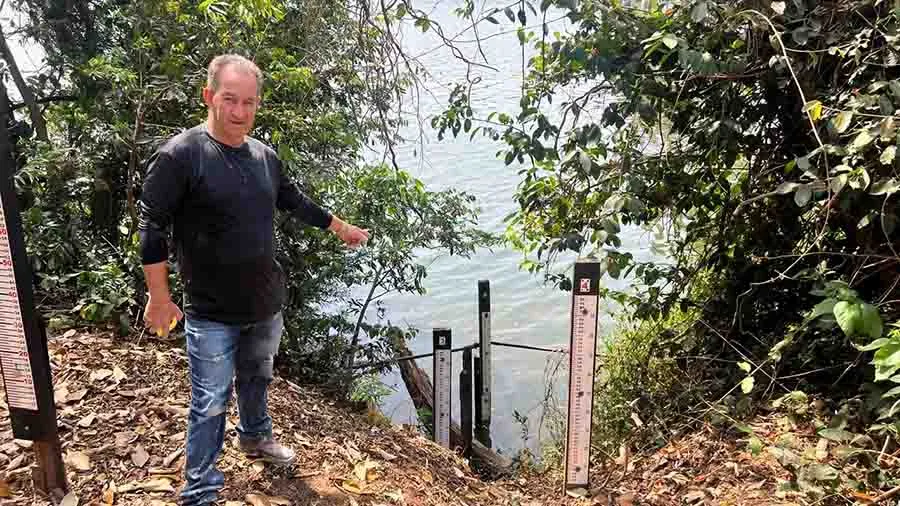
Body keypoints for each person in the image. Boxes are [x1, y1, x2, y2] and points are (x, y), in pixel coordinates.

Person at [137, 54, 369, 505]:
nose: (240, 112)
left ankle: (255, 438)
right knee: (209, 404)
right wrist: (159, 298)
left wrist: (340, 227)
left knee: (258, 378)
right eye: (229, 100)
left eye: (249, 102)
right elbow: (151, 225)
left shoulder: (264, 156)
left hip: (265, 302)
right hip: (210, 311)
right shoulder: (182, 156)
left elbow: (294, 200)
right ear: (209, 97)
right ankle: (200, 490)